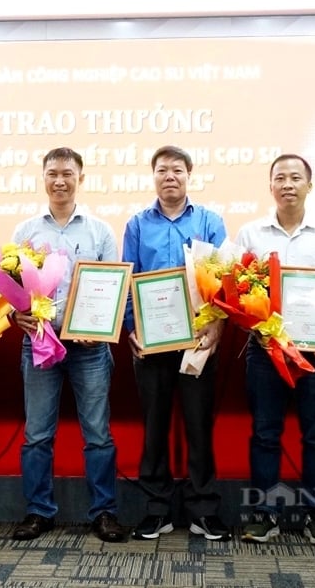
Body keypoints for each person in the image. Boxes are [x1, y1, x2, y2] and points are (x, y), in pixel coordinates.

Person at [8, 147, 127, 543]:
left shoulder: (99, 231)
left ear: (81, 178)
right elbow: (9, 292)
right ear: (43, 177)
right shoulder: (25, 231)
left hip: (89, 350)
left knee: (97, 433)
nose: (60, 180)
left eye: (68, 174)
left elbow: (115, 287)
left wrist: (104, 324)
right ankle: (39, 511)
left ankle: (104, 512)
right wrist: (16, 315)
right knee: (37, 434)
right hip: (40, 344)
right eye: (53, 173)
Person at [236, 154, 315, 545]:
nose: (288, 184)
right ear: (270, 186)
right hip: (264, 352)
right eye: (280, 178)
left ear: (309, 185)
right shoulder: (250, 235)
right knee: (265, 433)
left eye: (296, 177)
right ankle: (263, 515)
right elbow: (236, 292)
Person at [122, 145, 231, 542]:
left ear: (189, 175)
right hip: (151, 343)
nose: (170, 176)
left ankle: (204, 510)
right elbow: (129, 279)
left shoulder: (210, 221)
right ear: (153, 177)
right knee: (154, 429)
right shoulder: (137, 224)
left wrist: (217, 325)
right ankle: (157, 510)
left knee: (199, 427)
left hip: (198, 340)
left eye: (177, 170)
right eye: (162, 170)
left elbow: (223, 280)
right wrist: (132, 328)